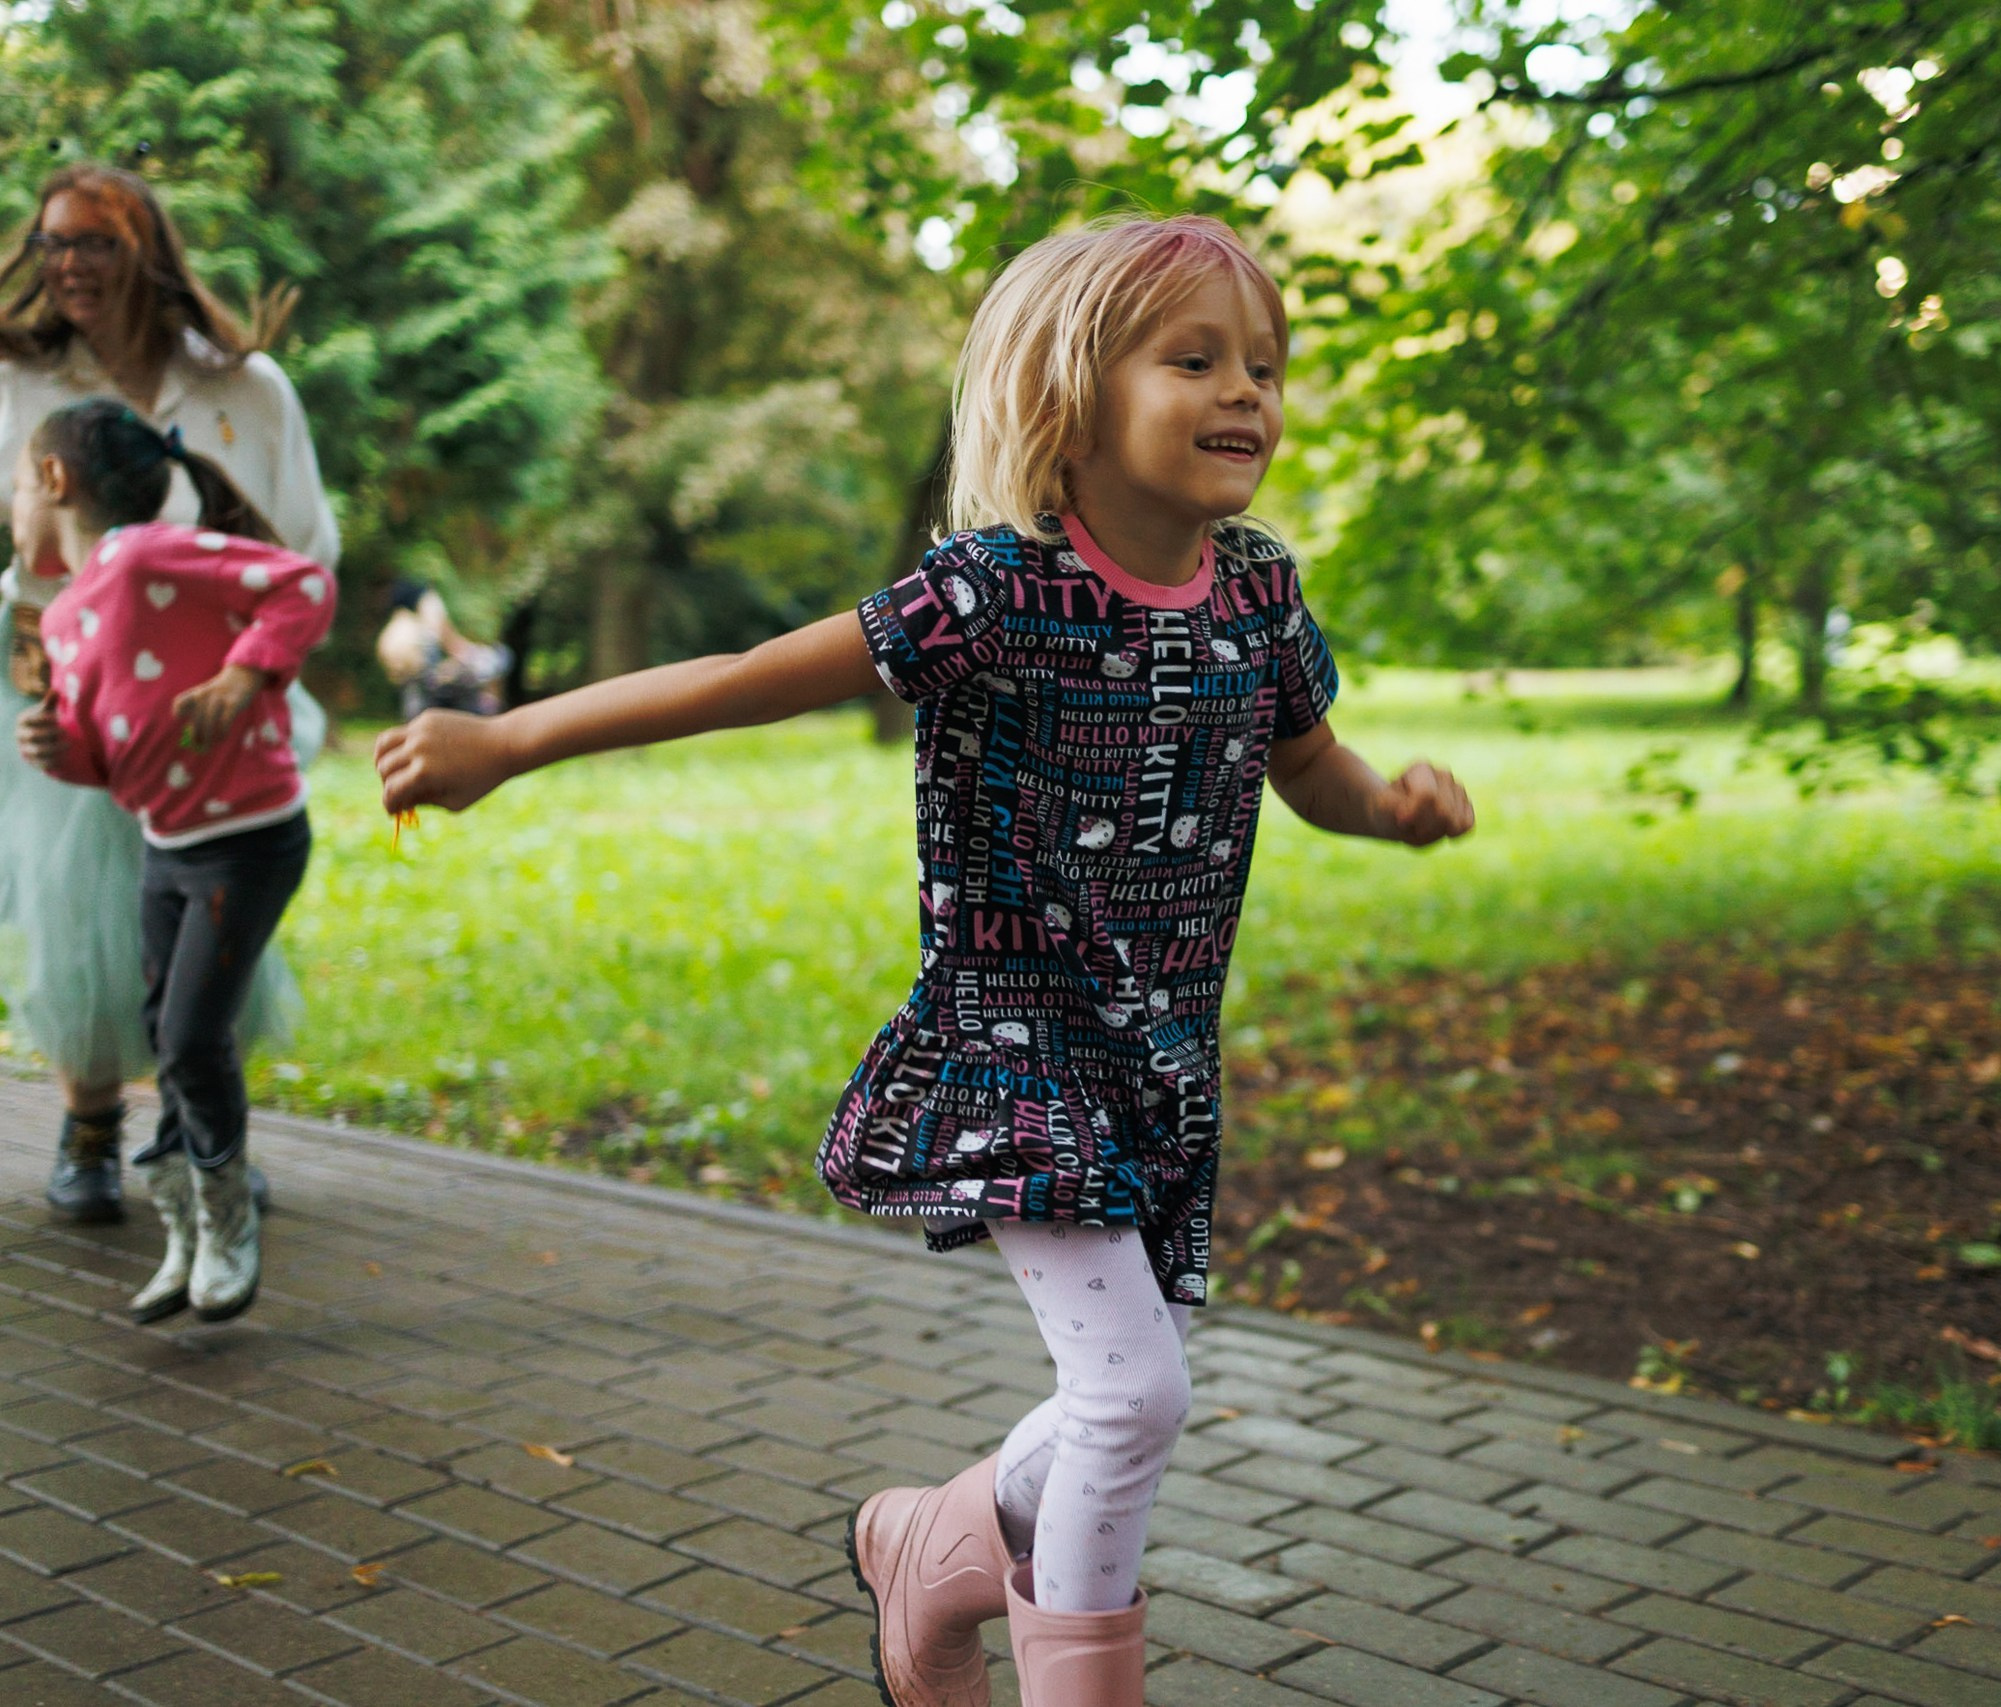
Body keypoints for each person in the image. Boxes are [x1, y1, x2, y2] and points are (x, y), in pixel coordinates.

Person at [376, 214, 1474, 1707]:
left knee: (1120, 1400)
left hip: (1155, 1055)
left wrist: (1393, 812)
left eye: (1265, 367)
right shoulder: (991, 589)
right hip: (1011, 1043)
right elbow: (746, 679)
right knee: (1136, 1393)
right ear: (1069, 394)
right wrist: (509, 736)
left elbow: (1314, 764)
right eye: (1197, 359)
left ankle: (935, 1539)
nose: (1247, 395)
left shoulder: (1258, 596)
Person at [0, 164, 334, 1221]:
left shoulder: (245, 388)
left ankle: (200, 1131)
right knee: (81, 906)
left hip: (219, 713)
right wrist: (36, 668)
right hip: (75, 689)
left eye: (93, 244)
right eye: (52, 244)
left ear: (146, 253)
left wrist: (249, 673)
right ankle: (89, 1128)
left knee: (212, 909)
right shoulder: (21, 387)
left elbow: (303, 542)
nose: (68, 267)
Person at [14, 400, 334, 1323]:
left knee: (192, 1036)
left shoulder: (149, 554)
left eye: (14, 486)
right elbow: (104, 759)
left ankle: (230, 1225)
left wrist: (245, 674)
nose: (10, 509)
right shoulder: (69, 615)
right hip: (168, 844)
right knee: (167, 1031)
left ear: (53, 480)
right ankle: (185, 1235)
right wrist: (58, 749)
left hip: (251, 833)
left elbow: (302, 584)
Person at [377, 577, 510, 718]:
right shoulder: (425, 607)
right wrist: (464, 654)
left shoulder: (397, 628)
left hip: (420, 678)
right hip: (429, 675)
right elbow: (445, 634)